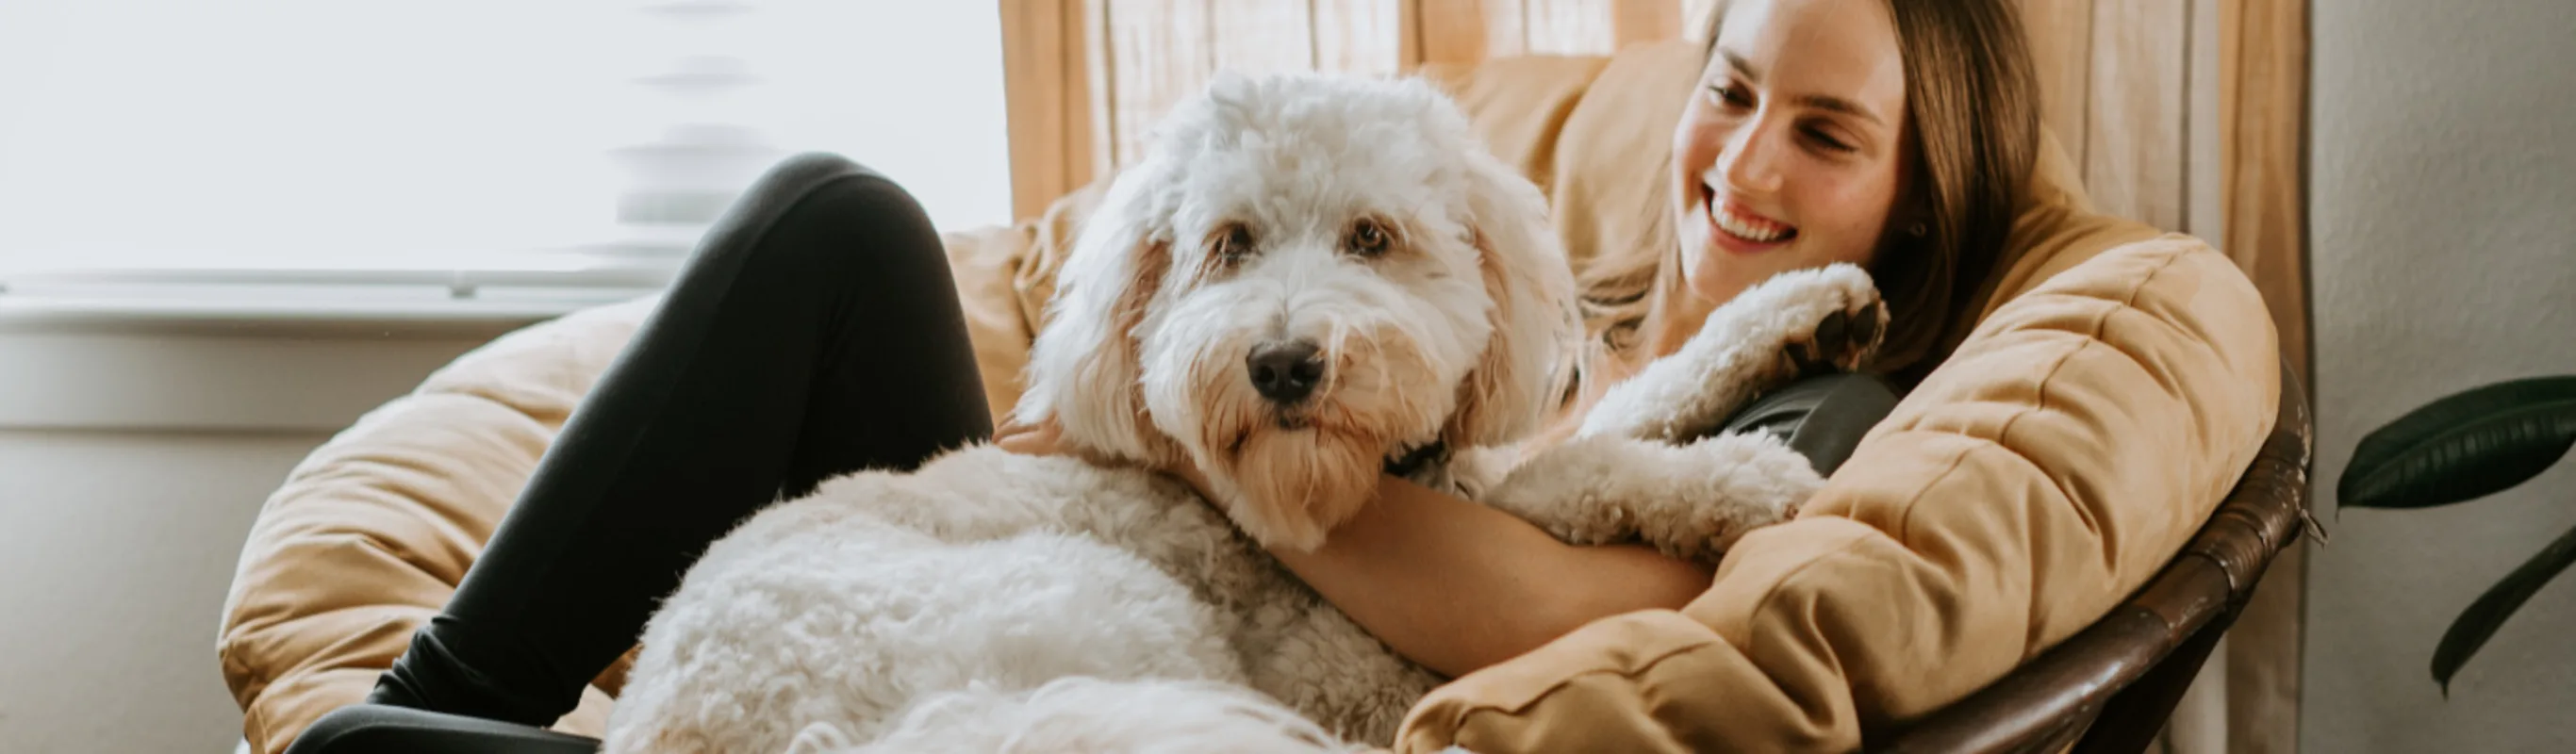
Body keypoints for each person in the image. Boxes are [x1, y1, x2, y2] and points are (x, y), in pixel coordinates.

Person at [294, 0, 2280, 751]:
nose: (1739, 165)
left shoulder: (1823, 389)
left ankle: (429, 747)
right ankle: (449, 703)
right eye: (1733, 90)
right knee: (838, 223)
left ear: (1920, 199)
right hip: (1086, 539)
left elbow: (1559, 601)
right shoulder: (1559, 282)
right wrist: (1105, 425)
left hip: (1189, 604)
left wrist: (1220, 449)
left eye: (1824, 138)